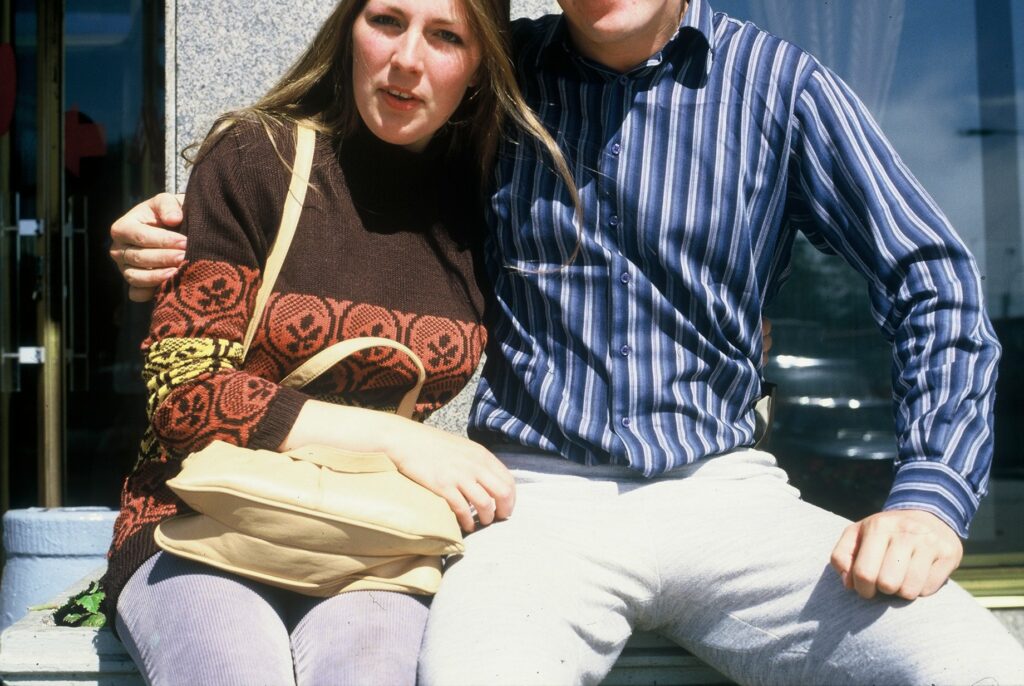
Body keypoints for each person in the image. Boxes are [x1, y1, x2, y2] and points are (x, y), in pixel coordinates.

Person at [113, 0, 1024, 684]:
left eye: (436, 37)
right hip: (534, 502)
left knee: (974, 665)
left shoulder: (780, 88)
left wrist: (932, 495)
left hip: (727, 495)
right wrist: (175, 230)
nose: (414, 54)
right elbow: (351, 172)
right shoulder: (498, 79)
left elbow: (931, 277)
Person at [97, 0, 584, 683]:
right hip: (195, 525)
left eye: (446, 36)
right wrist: (407, 440)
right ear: (349, 29)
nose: (407, 59)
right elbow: (185, 399)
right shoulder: (256, 159)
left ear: (480, 69)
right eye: (387, 20)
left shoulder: (487, 205)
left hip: (374, 542)